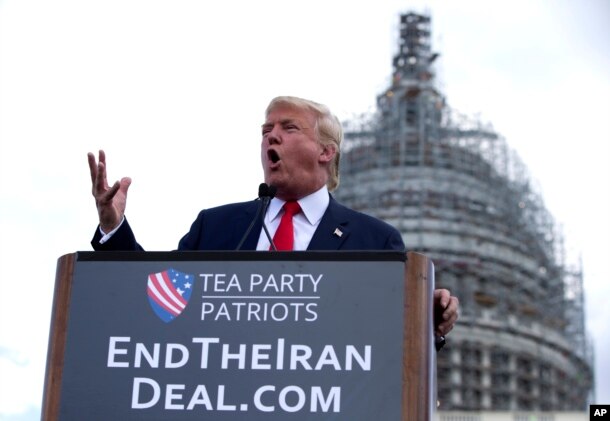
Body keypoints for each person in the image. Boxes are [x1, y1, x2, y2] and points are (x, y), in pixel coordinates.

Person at [88, 95, 459, 339]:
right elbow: (159, 300)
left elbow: (390, 344)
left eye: (288, 128)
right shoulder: (217, 227)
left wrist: (431, 327)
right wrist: (112, 226)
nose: (271, 137)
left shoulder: (374, 240)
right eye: (266, 130)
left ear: (326, 152)